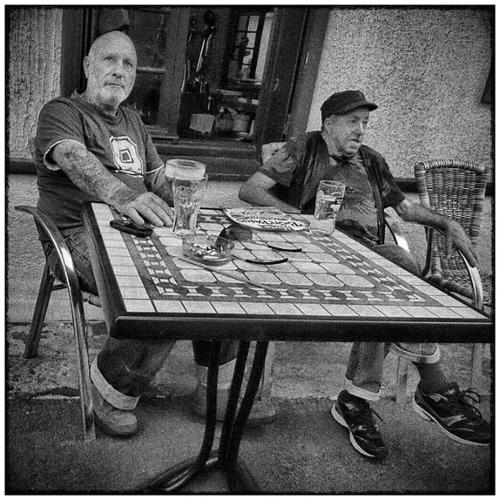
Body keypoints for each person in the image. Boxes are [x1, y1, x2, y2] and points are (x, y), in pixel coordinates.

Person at [34, 30, 274, 437]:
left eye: (128, 64)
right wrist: (125, 196)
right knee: (159, 289)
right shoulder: (62, 111)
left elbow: (158, 178)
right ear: (88, 65)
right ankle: (109, 392)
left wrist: (187, 195)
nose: (119, 70)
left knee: (218, 271)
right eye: (109, 60)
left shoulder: (132, 121)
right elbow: (73, 158)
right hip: (76, 235)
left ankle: (215, 392)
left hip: (138, 232)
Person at [238, 90, 491, 459]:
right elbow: (250, 190)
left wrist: (446, 222)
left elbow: (405, 209)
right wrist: (297, 217)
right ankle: (428, 390)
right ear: (329, 124)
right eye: (353, 121)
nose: (361, 129)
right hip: (317, 254)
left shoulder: (372, 160)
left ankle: (360, 399)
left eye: (365, 122)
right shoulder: (303, 148)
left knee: (398, 269)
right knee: (393, 278)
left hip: (368, 253)